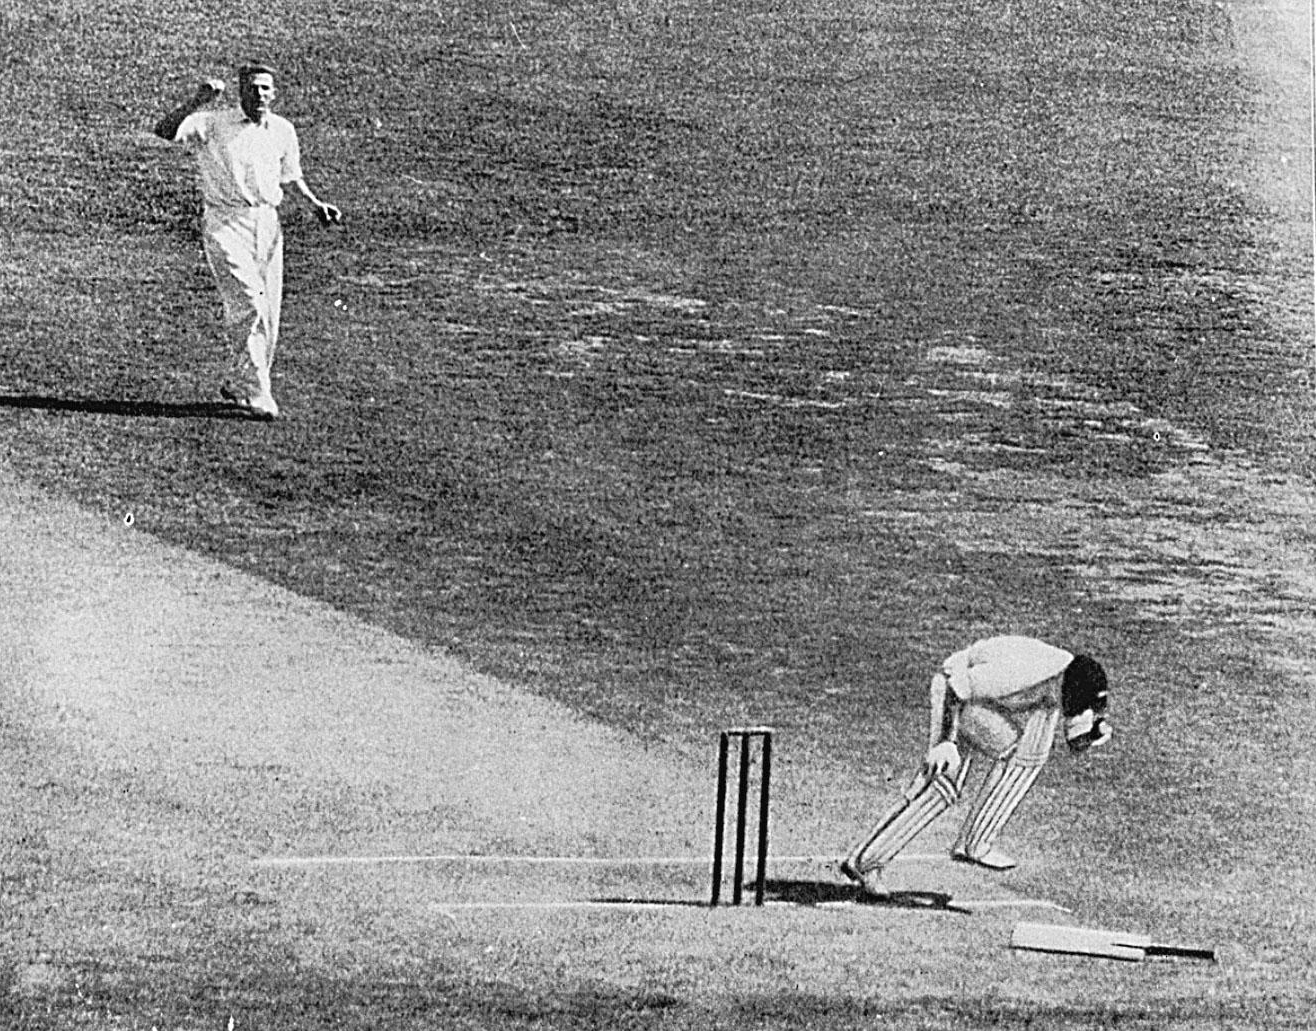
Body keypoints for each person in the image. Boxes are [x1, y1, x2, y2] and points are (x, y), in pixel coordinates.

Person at [841, 635, 1112, 897]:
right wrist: (946, 742)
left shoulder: (1059, 683)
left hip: (980, 704)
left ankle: (972, 843)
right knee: (941, 786)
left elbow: (1074, 741)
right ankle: (869, 860)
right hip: (954, 694)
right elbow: (956, 688)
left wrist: (1091, 734)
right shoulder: (1025, 672)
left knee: (1028, 754)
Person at [153, 63, 341, 419]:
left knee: (268, 312)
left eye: (266, 88)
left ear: (275, 92)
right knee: (249, 302)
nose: (260, 94)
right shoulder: (212, 121)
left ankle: (241, 379)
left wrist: (316, 205)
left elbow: (291, 176)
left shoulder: (283, 129)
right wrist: (198, 100)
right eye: (253, 87)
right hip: (226, 222)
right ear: (241, 91)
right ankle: (259, 393)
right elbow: (165, 131)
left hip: (268, 224)